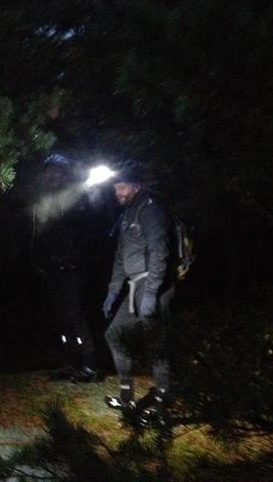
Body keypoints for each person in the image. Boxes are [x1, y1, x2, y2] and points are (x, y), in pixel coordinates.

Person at [101, 164, 174, 426]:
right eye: (115, 188)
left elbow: (159, 250)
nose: (118, 192)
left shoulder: (150, 209)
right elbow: (120, 258)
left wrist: (152, 292)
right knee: (114, 334)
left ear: (136, 186)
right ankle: (126, 397)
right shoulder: (126, 214)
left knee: (155, 344)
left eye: (122, 187)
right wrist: (112, 293)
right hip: (134, 286)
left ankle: (161, 407)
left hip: (153, 285)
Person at [32, 153, 103, 383]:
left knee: (75, 314)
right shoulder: (45, 199)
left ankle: (90, 365)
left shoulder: (78, 197)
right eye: (48, 172)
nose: (51, 176)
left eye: (56, 171)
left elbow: (90, 232)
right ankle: (72, 363)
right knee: (61, 316)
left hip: (73, 267)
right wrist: (41, 260)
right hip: (53, 267)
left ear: (64, 174)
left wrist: (75, 257)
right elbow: (40, 236)